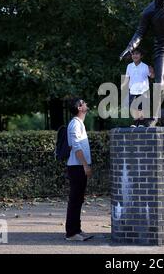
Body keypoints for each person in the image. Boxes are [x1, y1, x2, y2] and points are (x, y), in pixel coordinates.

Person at [65, 97, 93, 241]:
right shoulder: (75, 124)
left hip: (78, 166)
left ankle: (77, 230)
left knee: (78, 199)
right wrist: (85, 165)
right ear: (79, 108)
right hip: (77, 167)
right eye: (84, 103)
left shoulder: (79, 124)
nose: (86, 104)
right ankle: (71, 233)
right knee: (75, 200)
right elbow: (76, 147)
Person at [121, 48, 155, 127]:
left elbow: (152, 76)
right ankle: (137, 122)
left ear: (141, 56)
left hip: (143, 90)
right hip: (132, 90)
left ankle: (141, 124)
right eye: (133, 54)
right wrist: (123, 84)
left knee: (141, 108)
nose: (134, 55)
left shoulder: (145, 66)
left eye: (137, 54)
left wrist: (152, 71)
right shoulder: (129, 66)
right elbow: (127, 77)